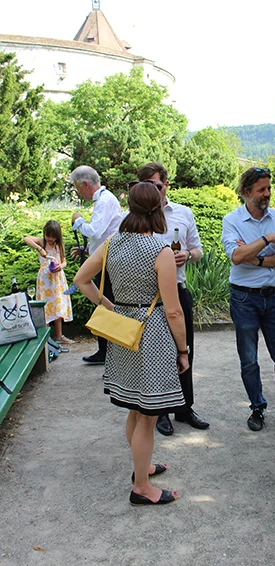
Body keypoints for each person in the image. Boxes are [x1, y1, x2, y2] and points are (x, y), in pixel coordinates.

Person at [73, 182, 189, 505]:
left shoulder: (112, 243)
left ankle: (142, 467)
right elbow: (173, 311)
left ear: (130, 208)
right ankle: (141, 487)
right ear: (158, 209)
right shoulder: (161, 252)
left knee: (135, 409)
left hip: (122, 332)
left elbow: (81, 279)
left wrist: (109, 306)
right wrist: (182, 350)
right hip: (151, 337)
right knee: (148, 415)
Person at [132, 162, 209, 435]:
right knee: (157, 354)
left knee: (185, 349)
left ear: (166, 185)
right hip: (149, 296)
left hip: (177, 289)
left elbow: (198, 251)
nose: (154, 191)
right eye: (147, 186)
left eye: (157, 185)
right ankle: (160, 411)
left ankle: (185, 408)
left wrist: (186, 254)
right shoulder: (136, 217)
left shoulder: (183, 213)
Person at [221, 167, 275, 431]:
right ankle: (257, 408)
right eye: (261, 189)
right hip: (244, 298)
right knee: (249, 359)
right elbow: (236, 257)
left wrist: (256, 258)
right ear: (246, 192)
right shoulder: (232, 220)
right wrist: (267, 239)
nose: (267, 194)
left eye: (269, 188)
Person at [70, 165, 122, 365]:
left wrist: (78, 221)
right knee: (103, 302)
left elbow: (96, 231)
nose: (79, 192)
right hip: (104, 259)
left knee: (104, 302)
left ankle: (108, 352)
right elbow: (103, 235)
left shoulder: (105, 201)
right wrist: (86, 250)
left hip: (107, 262)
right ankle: (106, 351)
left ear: (85, 184)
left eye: (78, 188)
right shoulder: (104, 200)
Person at [24, 220, 73, 343]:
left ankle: (59, 335)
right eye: (48, 235)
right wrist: (39, 249)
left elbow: (64, 261)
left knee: (57, 305)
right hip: (45, 281)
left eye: (53, 237)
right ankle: (47, 339)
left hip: (57, 280)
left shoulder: (59, 245)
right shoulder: (42, 242)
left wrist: (61, 266)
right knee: (45, 307)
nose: (50, 239)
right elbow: (26, 239)